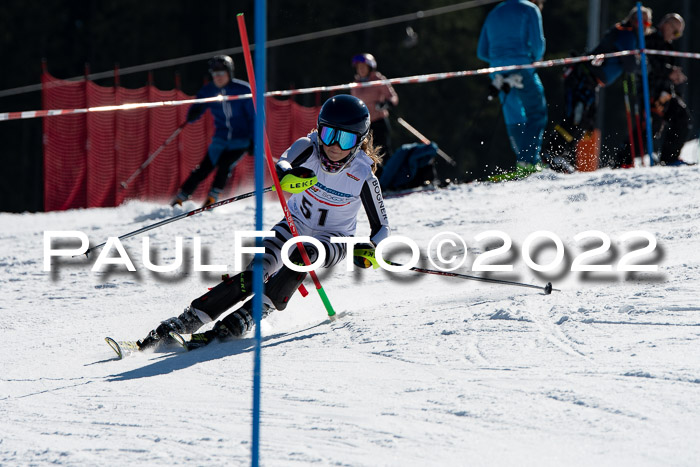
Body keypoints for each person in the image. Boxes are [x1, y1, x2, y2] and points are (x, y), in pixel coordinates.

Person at [137, 95, 390, 348]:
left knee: (303, 256)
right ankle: (187, 320)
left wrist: (372, 249)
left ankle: (249, 315)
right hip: (294, 226)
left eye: (344, 138)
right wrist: (287, 176)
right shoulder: (308, 147)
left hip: (333, 240)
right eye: (328, 134)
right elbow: (282, 163)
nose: (333, 145)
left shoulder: (363, 175)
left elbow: (381, 227)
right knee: (255, 273)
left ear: (359, 141)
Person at [547, 7, 652, 170]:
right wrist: (642, 64)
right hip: (583, 78)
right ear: (631, 20)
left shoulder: (629, 36)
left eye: (645, 22)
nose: (642, 25)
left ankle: (561, 156)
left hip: (590, 81)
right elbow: (631, 65)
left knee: (585, 122)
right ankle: (552, 153)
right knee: (577, 118)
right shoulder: (626, 34)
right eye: (638, 20)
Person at [171, 55, 255, 208]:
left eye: (221, 73)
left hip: (240, 140)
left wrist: (254, 140)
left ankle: (213, 196)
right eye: (215, 74)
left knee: (224, 165)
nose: (218, 77)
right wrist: (193, 114)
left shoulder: (243, 90)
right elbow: (197, 107)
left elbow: (255, 117)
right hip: (220, 139)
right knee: (203, 168)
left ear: (229, 72)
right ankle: (181, 197)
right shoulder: (209, 90)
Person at [477, 0, 547, 178]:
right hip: (521, 69)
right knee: (537, 112)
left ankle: (523, 162)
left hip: (498, 72)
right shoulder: (529, 9)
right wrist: (532, 61)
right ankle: (528, 162)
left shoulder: (494, 12)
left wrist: (499, 60)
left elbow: (481, 52)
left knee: (514, 116)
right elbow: (538, 46)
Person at [645, 13, 691, 166]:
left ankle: (669, 157)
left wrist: (674, 75)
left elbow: (663, 69)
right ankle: (622, 160)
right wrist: (670, 72)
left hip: (664, 93)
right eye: (676, 31)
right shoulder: (651, 39)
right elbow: (651, 65)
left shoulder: (666, 44)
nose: (676, 36)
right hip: (651, 92)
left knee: (681, 116)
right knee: (649, 128)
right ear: (666, 25)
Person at [350, 53, 399, 163]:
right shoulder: (355, 84)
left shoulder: (377, 79)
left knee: (383, 152)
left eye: (364, 67)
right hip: (363, 126)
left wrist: (387, 103)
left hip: (379, 123)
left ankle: (389, 177)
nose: (361, 70)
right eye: (359, 67)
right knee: (365, 153)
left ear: (370, 67)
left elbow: (393, 97)